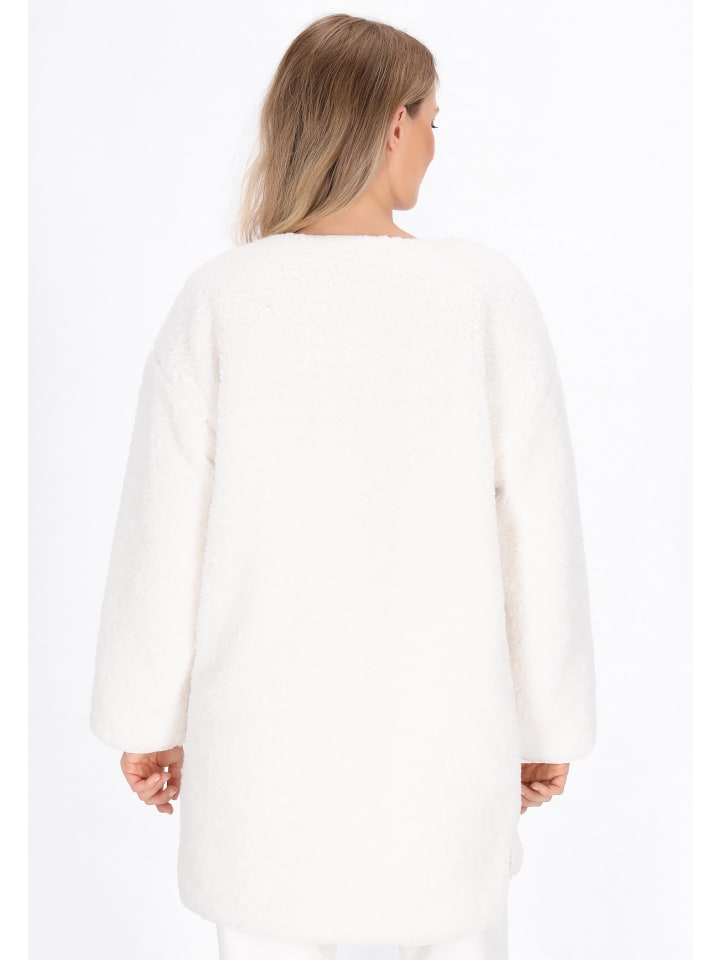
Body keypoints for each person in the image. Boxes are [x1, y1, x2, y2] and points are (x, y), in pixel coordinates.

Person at [88, 12, 597, 960]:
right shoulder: (483, 294)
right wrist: (546, 720)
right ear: (394, 123)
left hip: (264, 784)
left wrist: (147, 719)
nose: (435, 145)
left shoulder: (222, 299)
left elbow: (164, 534)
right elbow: (536, 529)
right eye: (434, 120)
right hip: (442, 773)